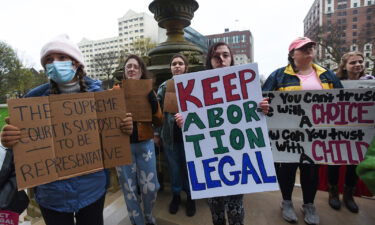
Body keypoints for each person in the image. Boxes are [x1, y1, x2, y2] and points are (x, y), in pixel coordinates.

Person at [0, 34, 133, 225]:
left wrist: (123, 128)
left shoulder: (100, 97)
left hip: (92, 189)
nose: (55, 63)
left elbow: (112, 138)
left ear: (76, 62)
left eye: (62, 57)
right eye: (49, 60)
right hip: (52, 195)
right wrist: (8, 140)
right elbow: (23, 147)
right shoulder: (31, 101)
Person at [174, 42, 269, 225]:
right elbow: (195, 120)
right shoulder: (197, 87)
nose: (222, 59)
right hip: (210, 159)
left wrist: (262, 109)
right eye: (216, 56)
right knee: (215, 207)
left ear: (231, 58)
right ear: (210, 60)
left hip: (238, 156)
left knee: (235, 207)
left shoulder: (245, 85)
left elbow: (254, 115)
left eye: (226, 55)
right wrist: (184, 121)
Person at [262, 37, 343, 225]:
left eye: (311, 47)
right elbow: (263, 100)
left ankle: (309, 204)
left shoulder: (327, 75)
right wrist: (264, 107)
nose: (309, 50)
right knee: (287, 171)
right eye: (303, 48)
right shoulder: (278, 76)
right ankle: (287, 202)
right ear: (292, 54)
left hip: (316, 135)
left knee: (311, 171)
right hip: (287, 135)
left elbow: (342, 102)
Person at [115, 54, 162, 225]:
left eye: (135, 66)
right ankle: (137, 221)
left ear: (141, 71)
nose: (132, 69)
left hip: (145, 145)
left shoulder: (150, 92)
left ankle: (149, 215)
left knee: (151, 187)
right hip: (123, 147)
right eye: (129, 66)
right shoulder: (115, 92)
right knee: (129, 189)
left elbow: (159, 121)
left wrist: (154, 104)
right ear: (125, 71)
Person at [326, 51, 373, 213]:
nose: (358, 64)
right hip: (337, 130)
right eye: (353, 62)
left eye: (360, 61)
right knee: (335, 163)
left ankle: (348, 195)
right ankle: (333, 193)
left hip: (360, 131)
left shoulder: (371, 82)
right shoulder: (335, 82)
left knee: (354, 163)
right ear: (344, 66)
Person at [156, 54, 196, 217]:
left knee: (189, 168)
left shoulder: (194, 85)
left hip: (191, 136)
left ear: (186, 67)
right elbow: (157, 113)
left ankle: (191, 197)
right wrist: (156, 133)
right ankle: (176, 196)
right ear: (170, 68)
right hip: (170, 136)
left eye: (180, 63)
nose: (177, 66)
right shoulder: (165, 87)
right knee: (174, 169)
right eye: (174, 64)